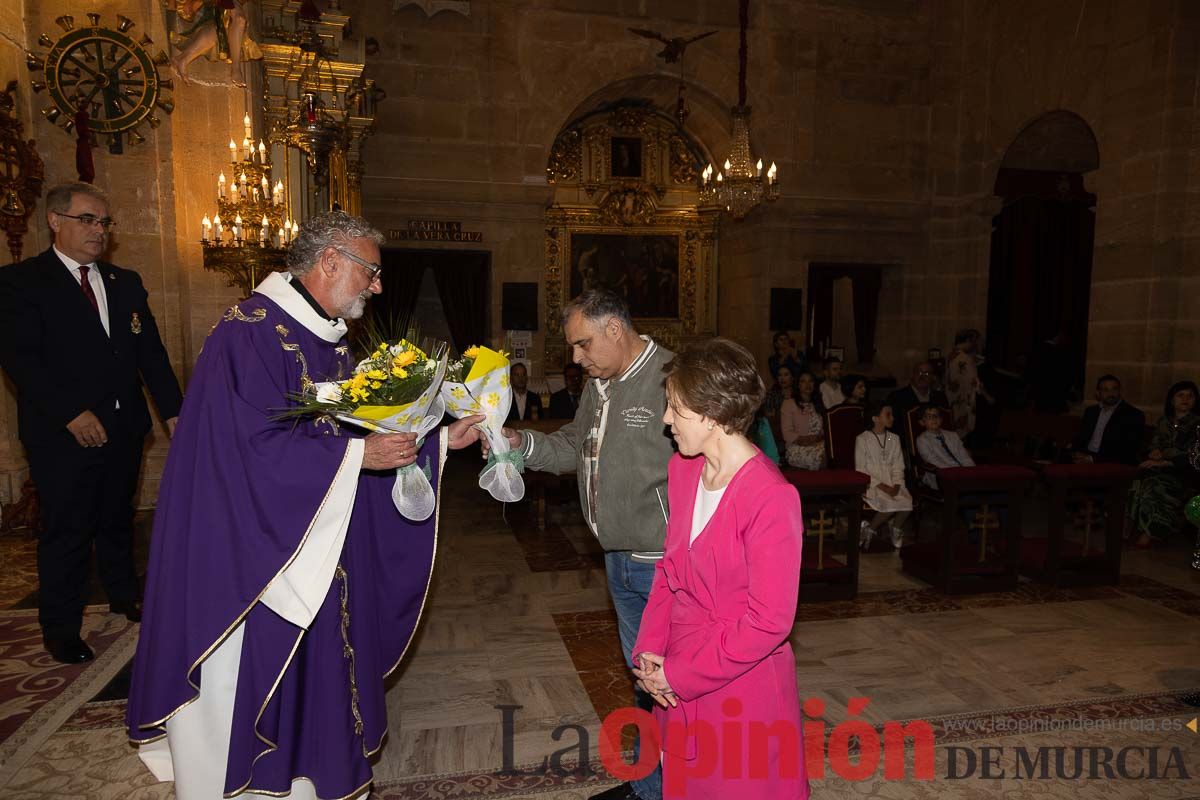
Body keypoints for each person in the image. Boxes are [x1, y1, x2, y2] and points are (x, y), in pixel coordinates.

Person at [125, 212, 484, 799]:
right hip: (257, 557)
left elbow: (347, 440)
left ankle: (311, 777)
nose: (377, 286)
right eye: (370, 272)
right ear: (331, 262)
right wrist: (352, 459)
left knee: (321, 671)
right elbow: (243, 452)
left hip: (319, 551)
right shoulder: (248, 333)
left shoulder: (330, 344)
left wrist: (438, 441)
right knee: (264, 680)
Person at [493, 290, 672, 800]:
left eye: (582, 344)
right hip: (618, 560)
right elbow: (575, 444)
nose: (576, 358)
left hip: (662, 564)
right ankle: (651, 785)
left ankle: (669, 786)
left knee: (666, 683)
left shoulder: (671, 378)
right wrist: (519, 444)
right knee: (646, 680)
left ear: (615, 329)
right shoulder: (602, 383)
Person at [0, 182, 183, 664]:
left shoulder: (125, 282)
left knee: (117, 517)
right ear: (55, 221)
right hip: (62, 433)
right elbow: (22, 361)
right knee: (69, 528)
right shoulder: (21, 282)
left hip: (124, 428)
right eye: (87, 220)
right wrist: (70, 414)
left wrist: (175, 413)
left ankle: (124, 595)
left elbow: (152, 355)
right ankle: (60, 627)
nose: (98, 231)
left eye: (104, 222)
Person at [631, 338, 807, 800]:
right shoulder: (683, 470)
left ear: (712, 413)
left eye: (675, 408)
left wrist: (681, 675)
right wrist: (650, 649)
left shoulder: (771, 497)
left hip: (739, 690)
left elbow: (769, 623)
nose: (666, 420)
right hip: (676, 677)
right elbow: (670, 573)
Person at [1127, 380, 1199, 548]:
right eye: (1180, 395)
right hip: (1161, 467)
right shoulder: (1163, 422)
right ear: (1172, 400)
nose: (1185, 399)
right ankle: (1131, 524)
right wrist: (1153, 453)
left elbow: (1192, 455)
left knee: (1155, 484)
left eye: (1190, 396)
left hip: (1185, 472)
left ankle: (1152, 531)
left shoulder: (1197, 424)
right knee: (1137, 478)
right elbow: (1154, 445)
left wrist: (1164, 459)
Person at [855, 401, 913, 549]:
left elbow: (898, 465)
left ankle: (896, 528)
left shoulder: (894, 439)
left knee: (907, 503)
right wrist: (884, 487)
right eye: (888, 414)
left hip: (893, 483)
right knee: (890, 504)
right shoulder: (863, 439)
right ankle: (870, 529)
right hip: (873, 484)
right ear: (875, 418)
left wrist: (897, 485)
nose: (892, 417)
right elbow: (861, 469)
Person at [1072, 374, 1146, 465]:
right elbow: (1081, 437)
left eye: (1114, 389)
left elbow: (1127, 450)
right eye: (1105, 390)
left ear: (1120, 391)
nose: (1111, 394)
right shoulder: (1091, 412)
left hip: (1111, 462)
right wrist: (1076, 452)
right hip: (1087, 455)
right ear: (1098, 393)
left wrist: (1092, 459)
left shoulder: (1133, 415)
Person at [886, 361, 950, 448]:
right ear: (913, 375)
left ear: (932, 377)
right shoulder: (897, 397)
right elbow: (892, 428)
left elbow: (946, 425)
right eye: (919, 372)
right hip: (907, 448)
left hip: (938, 447)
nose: (922, 376)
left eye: (926, 373)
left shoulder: (940, 397)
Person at [915, 405, 975, 488]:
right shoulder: (922, 440)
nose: (934, 418)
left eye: (936, 415)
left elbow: (964, 456)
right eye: (929, 416)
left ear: (941, 419)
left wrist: (972, 471)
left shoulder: (953, 435)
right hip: (941, 474)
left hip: (961, 471)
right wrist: (955, 472)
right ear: (922, 422)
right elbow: (933, 461)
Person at [946, 329, 991, 440]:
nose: (976, 344)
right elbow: (974, 382)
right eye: (975, 341)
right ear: (968, 340)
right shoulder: (965, 358)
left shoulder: (951, 355)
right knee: (963, 433)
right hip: (964, 401)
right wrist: (988, 397)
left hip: (953, 399)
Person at [782, 372, 826, 470]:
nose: (808, 384)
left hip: (819, 444)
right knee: (824, 456)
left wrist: (819, 438)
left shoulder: (818, 404)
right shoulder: (788, 403)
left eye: (810, 381)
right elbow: (787, 433)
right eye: (803, 381)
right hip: (797, 447)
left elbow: (825, 429)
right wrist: (809, 440)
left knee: (836, 452)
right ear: (798, 385)